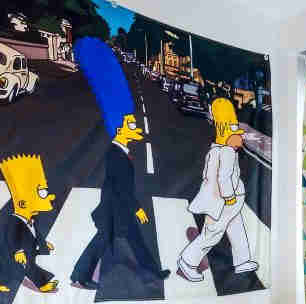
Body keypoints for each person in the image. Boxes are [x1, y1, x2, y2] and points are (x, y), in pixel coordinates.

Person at [69, 37, 169, 289]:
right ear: (121, 129)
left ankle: (153, 272)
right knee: (102, 241)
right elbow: (119, 188)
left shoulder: (122, 151)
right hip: (114, 210)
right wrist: (136, 208)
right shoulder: (115, 154)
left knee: (136, 241)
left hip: (119, 209)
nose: (136, 128)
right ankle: (79, 276)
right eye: (132, 125)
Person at [177, 98, 258, 282]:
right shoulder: (226, 152)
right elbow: (223, 178)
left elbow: (210, 175)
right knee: (212, 234)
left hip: (231, 201)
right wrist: (229, 198)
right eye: (238, 136)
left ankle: (242, 261)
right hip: (224, 203)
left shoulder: (218, 150)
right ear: (228, 132)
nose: (241, 140)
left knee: (236, 228)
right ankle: (187, 262)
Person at [0, 154, 58, 293]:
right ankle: (42, 284)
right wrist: (17, 251)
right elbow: (11, 238)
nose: (49, 197)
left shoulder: (31, 219)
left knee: (6, 268)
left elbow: (35, 234)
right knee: (27, 266)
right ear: (23, 203)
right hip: (14, 251)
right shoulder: (15, 220)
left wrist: (43, 243)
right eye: (42, 193)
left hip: (25, 250)